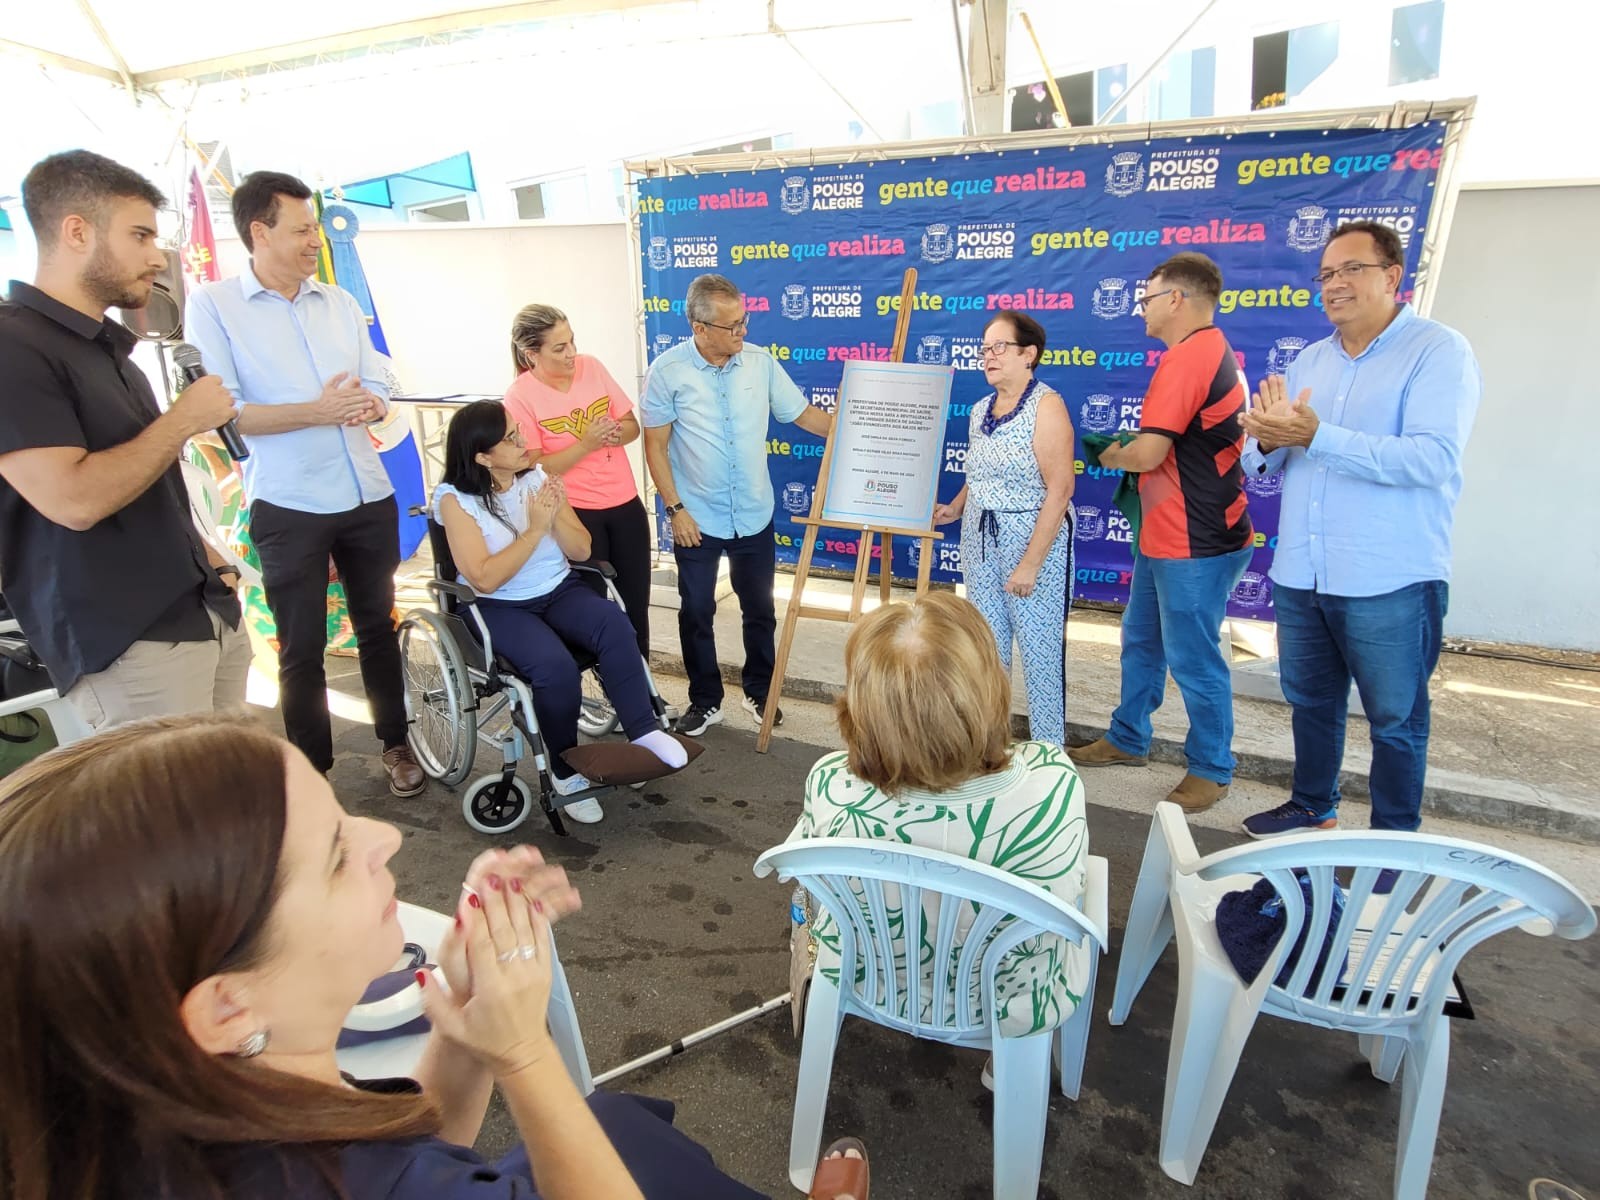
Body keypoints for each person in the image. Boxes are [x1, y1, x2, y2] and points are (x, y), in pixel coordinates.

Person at [0, 714, 766, 1199]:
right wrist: (525, 1055)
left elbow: (413, 1144)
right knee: (625, 1135)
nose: (385, 837)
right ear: (227, 1006)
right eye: (335, 854)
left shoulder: (151, 1125)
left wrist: (464, 1030)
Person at [1238, 220, 1481, 840]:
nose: (1334, 284)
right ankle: (1311, 804)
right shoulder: (1311, 359)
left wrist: (1318, 436)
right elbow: (1264, 462)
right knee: (1311, 702)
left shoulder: (1436, 351)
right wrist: (1266, 437)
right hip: (1304, 571)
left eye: (1351, 269)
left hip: (1388, 575)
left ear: (1393, 276)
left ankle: (1394, 837)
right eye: (1325, 274)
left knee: (1395, 718)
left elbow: (1431, 459)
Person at [185, 170, 424, 798]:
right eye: (302, 229)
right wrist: (317, 411)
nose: (314, 240)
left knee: (379, 627)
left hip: (366, 492)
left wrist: (371, 403)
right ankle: (312, 772)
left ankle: (396, 744)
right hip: (288, 502)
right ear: (258, 233)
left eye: (315, 227)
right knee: (301, 647)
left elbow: (380, 376)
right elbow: (222, 412)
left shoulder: (338, 303)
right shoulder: (215, 306)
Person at [0, 149, 250, 731]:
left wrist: (213, 562)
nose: (156, 256)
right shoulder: (14, 347)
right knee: (171, 816)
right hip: (128, 640)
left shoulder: (106, 350)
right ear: (76, 232)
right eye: (139, 235)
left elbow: (147, 479)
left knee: (231, 804)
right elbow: (73, 500)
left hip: (200, 611)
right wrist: (184, 419)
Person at [791, 593, 1090, 1041]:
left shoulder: (830, 784)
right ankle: (1004, 1069)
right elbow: (1072, 882)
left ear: (860, 707)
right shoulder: (1052, 783)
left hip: (866, 978)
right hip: (1009, 1005)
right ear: (990, 692)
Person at [435, 401, 688, 825]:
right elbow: (483, 579)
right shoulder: (455, 501)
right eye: (511, 439)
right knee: (555, 668)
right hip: (498, 606)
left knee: (613, 622)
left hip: (557, 588)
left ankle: (645, 731)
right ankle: (565, 770)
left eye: (520, 432)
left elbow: (582, 551)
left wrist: (553, 518)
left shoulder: (536, 478)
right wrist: (535, 528)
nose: (524, 443)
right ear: (482, 456)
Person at [1070, 253, 1254, 812]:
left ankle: (1212, 767)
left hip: (1195, 538)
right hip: (1166, 532)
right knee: (1142, 641)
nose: (1141, 309)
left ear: (1176, 299)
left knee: (1194, 655)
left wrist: (1115, 451)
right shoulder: (1203, 352)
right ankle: (1128, 737)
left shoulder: (1191, 356)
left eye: (1147, 298)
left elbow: (1150, 452)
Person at [641, 274, 833, 737]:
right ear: (699, 327)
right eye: (732, 326)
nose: (742, 333)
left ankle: (760, 691)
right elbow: (655, 446)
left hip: (753, 513)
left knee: (760, 610)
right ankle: (706, 700)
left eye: (744, 321)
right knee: (696, 611)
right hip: (695, 517)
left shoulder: (760, 363)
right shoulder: (666, 372)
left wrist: (860, 426)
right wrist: (675, 509)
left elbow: (803, 415)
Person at [932, 310, 1076, 749]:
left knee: (1040, 656)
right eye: (985, 349)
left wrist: (1030, 564)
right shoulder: (980, 410)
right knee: (987, 652)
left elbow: (1060, 488)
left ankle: (1051, 758)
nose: (988, 356)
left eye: (1000, 347)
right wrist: (955, 507)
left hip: (1032, 542)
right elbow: (977, 471)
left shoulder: (1046, 406)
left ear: (1028, 354)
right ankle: (991, 748)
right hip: (979, 538)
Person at [504, 304, 652, 658]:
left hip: (624, 501)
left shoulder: (592, 366)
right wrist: (585, 443)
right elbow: (533, 467)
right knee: (592, 611)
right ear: (531, 354)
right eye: (559, 348)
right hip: (575, 512)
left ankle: (643, 694)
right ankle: (605, 692)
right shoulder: (519, 394)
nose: (571, 353)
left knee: (635, 606)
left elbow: (631, 425)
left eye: (572, 342)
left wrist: (614, 434)